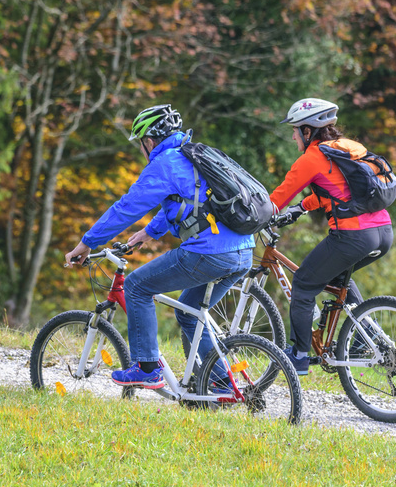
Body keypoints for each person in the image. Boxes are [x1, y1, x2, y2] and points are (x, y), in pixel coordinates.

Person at [65, 104, 255, 389]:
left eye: (140, 143)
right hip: (243, 252)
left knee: (137, 286)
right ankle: (220, 383)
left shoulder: (164, 164)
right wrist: (149, 232)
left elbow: (125, 209)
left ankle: (146, 367)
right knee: (189, 312)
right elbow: (188, 205)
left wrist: (86, 243)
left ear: (149, 141)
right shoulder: (195, 156)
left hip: (208, 254)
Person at [269, 98, 394, 375]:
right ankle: (366, 338)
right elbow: (338, 191)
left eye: (295, 129)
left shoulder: (311, 159)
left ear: (308, 131)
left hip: (353, 236)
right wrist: (302, 207)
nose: (293, 136)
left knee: (302, 283)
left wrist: (255, 215)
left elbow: (277, 198)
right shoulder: (347, 148)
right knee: (339, 280)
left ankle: (299, 357)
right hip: (383, 233)